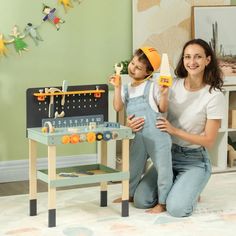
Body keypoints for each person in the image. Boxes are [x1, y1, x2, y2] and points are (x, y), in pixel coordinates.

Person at [128, 38, 225, 216]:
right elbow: (147, 105)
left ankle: (190, 189)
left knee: (177, 209)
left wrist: (174, 130)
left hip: (194, 160)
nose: (192, 62)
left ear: (207, 60)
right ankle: (179, 185)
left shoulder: (213, 96)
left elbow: (209, 140)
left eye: (198, 57)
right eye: (187, 57)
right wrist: (131, 122)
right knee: (142, 201)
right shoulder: (171, 84)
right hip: (167, 155)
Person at [109, 47, 173, 213]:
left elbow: (163, 107)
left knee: (163, 168)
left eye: (138, 67)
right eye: (132, 63)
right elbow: (117, 107)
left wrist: (165, 94)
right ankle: (129, 194)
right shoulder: (127, 88)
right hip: (139, 136)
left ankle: (163, 202)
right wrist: (117, 87)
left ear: (148, 72)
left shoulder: (152, 87)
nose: (132, 68)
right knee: (133, 166)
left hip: (157, 136)